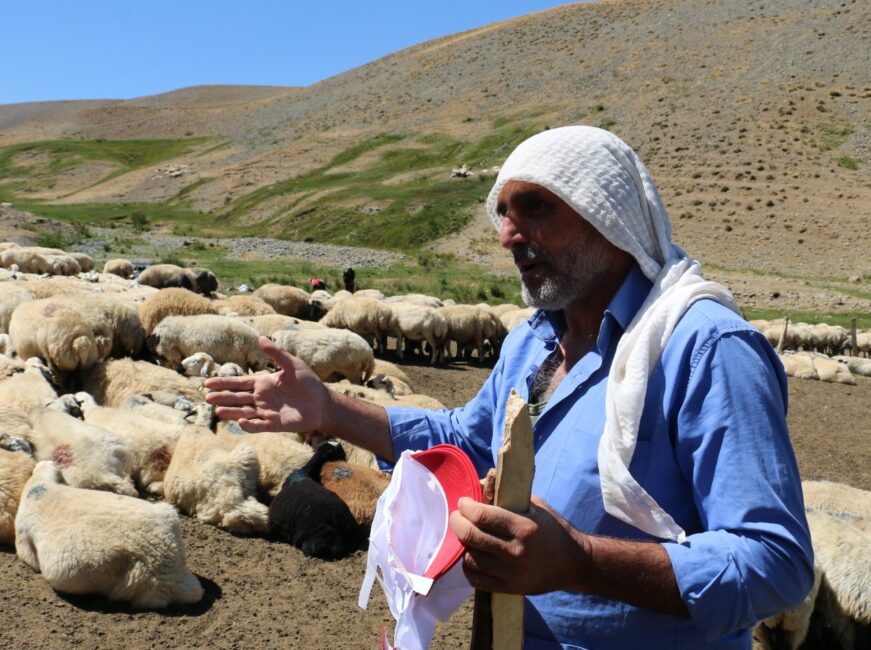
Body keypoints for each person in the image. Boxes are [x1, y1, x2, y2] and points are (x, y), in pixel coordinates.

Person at [206, 126, 813, 649]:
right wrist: (329, 409)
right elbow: (465, 442)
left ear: (606, 211)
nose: (508, 235)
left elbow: (776, 563)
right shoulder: (533, 343)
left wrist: (581, 561)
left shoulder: (704, 349)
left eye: (535, 209)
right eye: (504, 212)